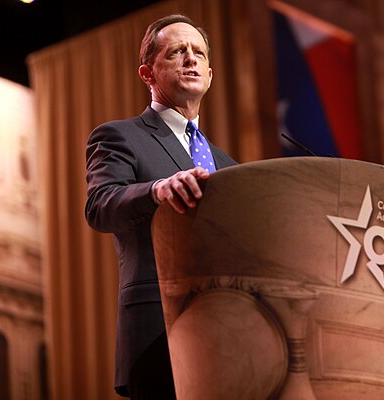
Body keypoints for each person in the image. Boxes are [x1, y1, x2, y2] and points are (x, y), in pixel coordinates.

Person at [85, 14, 237, 399]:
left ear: (210, 74)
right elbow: (100, 206)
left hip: (233, 335)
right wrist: (157, 190)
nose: (191, 59)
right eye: (177, 52)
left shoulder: (230, 166)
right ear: (147, 74)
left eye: (199, 53)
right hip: (160, 333)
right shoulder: (121, 137)